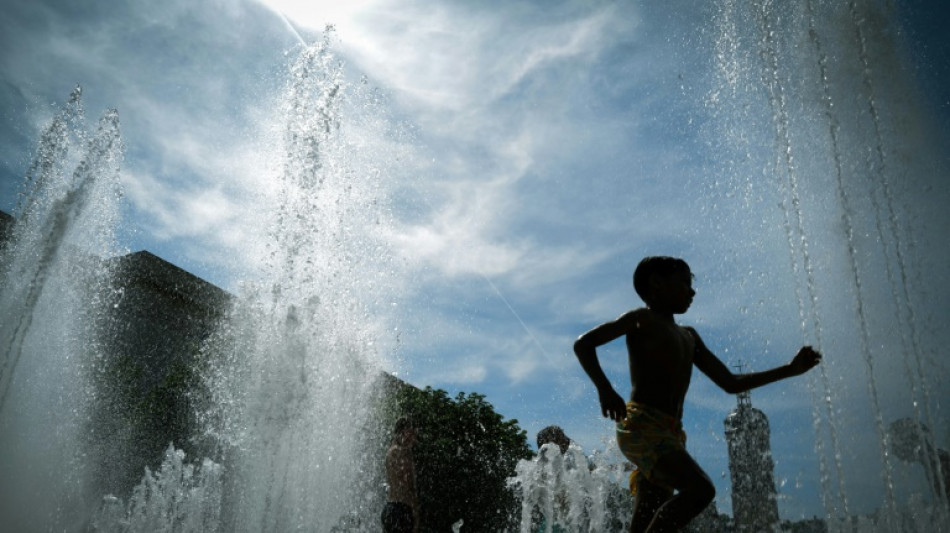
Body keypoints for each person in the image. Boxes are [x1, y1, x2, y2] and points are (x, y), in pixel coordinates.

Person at [573, 256, 821, 532]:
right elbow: (584, 344)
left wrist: (789, 369)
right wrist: (605, 390)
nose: (692, 292)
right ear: (656, 283)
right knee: (700, 489)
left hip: (671, 433)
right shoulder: (642, 319)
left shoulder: (689, 336)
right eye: (684, 283)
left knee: (648, 513)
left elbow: (731, 383)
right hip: (643, 425)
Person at [383, 416, 418, 533]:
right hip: (401, 511)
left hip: (391, 509)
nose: (414, 438)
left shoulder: (390, 451)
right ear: (403, 432)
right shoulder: (402, 452)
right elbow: (406, 484)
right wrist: (415, 510)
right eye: (411, 433)